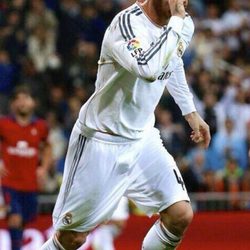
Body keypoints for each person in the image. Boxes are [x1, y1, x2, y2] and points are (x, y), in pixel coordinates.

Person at [41, 0, 210, 249]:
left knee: (180, 214)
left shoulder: (182, 23)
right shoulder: (127, 24)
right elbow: (148, 67)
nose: (182, 2)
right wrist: (176, 23)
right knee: (71, 238)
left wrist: (190, 112)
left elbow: (172, 60)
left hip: (142, 138)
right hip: (102, 139)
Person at [0, 86, 52, 250]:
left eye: (26, 98)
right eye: (18, 99)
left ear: (33, 103)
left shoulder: (41, 127)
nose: (22, 102)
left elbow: (47, 147)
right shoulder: (4, 124)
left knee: (23, 220)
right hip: (8, 183)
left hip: (30, 185)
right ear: (13, 104)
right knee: (14, 219)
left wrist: (43, 167)